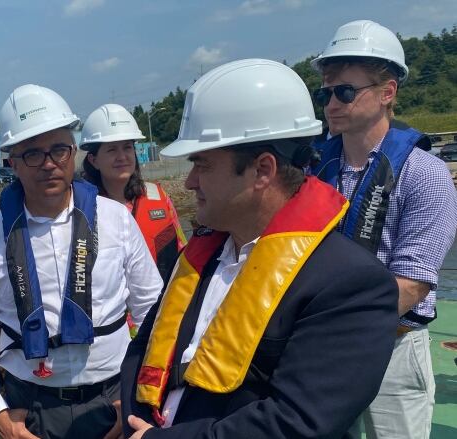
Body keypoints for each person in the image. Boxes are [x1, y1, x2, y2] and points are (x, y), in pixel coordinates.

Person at [120, 59, 400, 439]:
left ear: (263, 171)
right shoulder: (201, 257)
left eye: (202, 165)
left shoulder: (350, 284)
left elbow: (298, 421)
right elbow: (143, 348)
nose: (189, 182)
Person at [0, 84, 163, 439]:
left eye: (59, 150)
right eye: (32, 153)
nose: (48, 163)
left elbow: (154, 314)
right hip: (29, 407)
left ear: (74, 152)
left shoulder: (117, 221)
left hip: (113, 400)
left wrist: (139, 397)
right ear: (11, 162)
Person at [310, 20, 457, 438]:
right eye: (325, 93)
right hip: (322, 350)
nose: (332, 104)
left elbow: (413, 282)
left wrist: (331, 322)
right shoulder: (316, 171)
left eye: (345, 91)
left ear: (387, 92)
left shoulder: (423, 174)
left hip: (389, 349)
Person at [80, 104, 187, 281]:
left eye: (127, 147)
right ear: (94, 160)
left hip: (163, 303)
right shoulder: (83, 208)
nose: (122, 156)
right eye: (112, 149)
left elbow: (183, 249)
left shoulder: (158, 197)